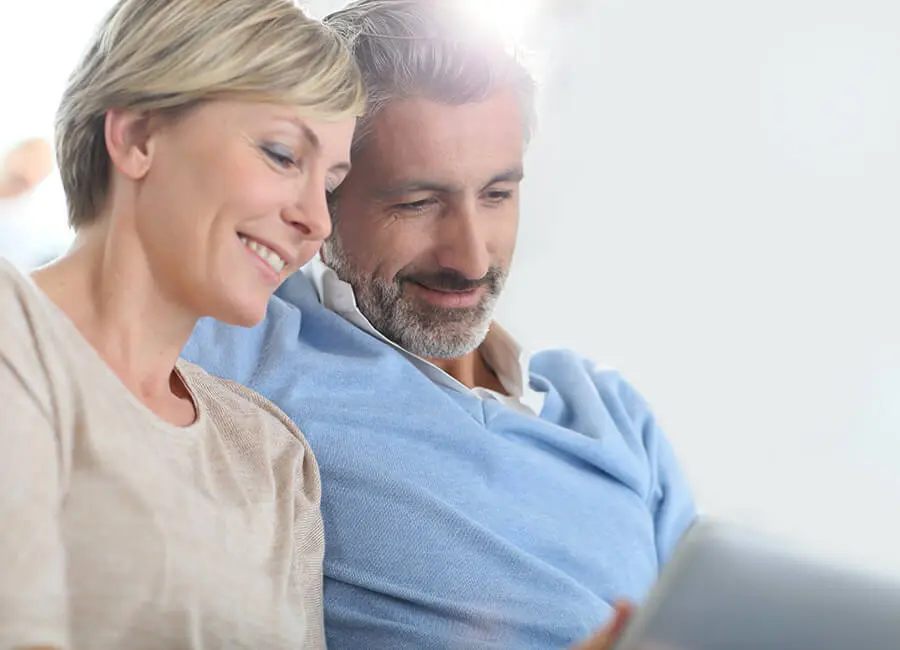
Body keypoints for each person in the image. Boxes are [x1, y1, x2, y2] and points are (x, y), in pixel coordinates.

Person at [184, 0, 696, 648]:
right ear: (321, 198)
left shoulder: (612, 413)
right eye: (417, 203)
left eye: (497, 195)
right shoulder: (245, 347)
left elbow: (719, 615)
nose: (471, 258)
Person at [0, 0, 364, 647]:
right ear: (139, 137)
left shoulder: (271, 456)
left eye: (330, 184)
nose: (319, 220)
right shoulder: (16, 336)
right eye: (283, 154)